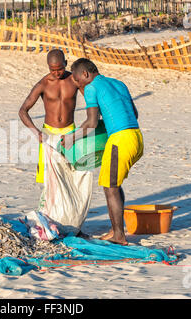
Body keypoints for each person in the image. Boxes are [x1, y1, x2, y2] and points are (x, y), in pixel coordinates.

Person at [62, 58, 144, 245]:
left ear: (85, 74)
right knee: (114, 184)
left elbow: (91, 123)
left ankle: (119, 236)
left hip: (120, 140)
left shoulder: (91, 87)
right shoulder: (118, 83)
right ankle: (117, 230)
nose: (78, 84)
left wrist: (71, 138)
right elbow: (134, 114)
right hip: (136, 137)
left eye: (77, 79)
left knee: (110, 186)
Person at [18, 50, 92, 238]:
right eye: (53, 70)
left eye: (60, 69)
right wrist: (37, 133)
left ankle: (74, 224)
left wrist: (87, 128)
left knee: (72, 178)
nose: (57, 73)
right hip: (49, 134)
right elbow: (23, 111)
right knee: (48, 181)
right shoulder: (44, 84)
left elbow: (91, 102)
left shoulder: (73, 81)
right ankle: (48, 220)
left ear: (66, 64)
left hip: (70, 133)